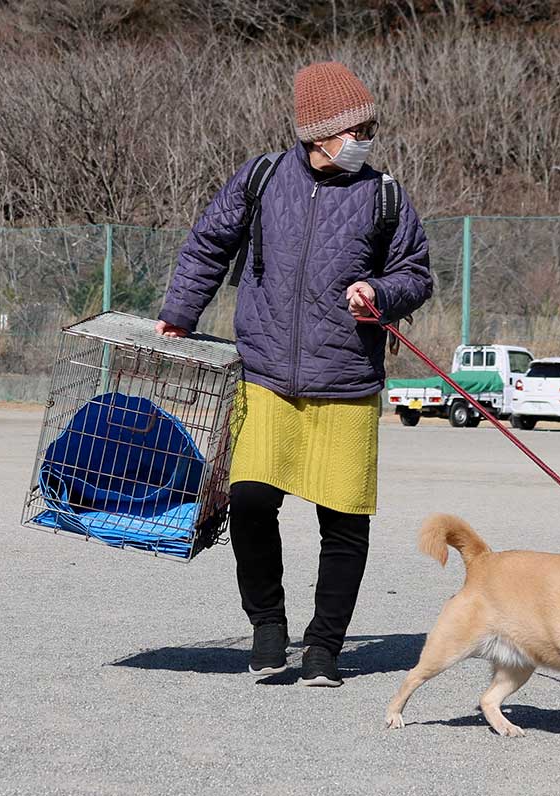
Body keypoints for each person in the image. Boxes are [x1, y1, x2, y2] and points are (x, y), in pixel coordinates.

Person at [156, 61, 433, 686]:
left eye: (370, 125)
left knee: (343, 518)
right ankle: (268, 624)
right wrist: (180, 311)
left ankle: (324, 648)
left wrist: (380, 292)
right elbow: (208, 243)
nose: (367, 137)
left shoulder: (385, 193)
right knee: (250, 497)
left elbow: (416, 272)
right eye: (355, 128)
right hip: (264, 372)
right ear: (318, 134)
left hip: (347, 380)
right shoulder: (260, 178)